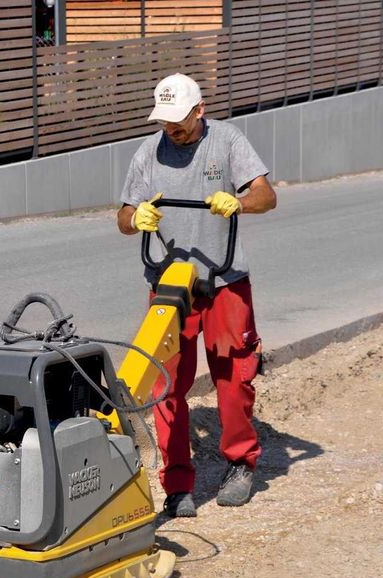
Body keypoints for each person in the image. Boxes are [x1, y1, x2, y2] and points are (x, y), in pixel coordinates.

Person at [117, 73, 277, 518]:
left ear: (199, 110)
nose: (171, 129)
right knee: (166, 385)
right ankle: (177, 483)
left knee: (234, 377)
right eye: (164, 121)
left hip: (225, 281)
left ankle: (240, 464)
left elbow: (267, 195)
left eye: (179, 121)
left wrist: (238, 202)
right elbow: (123, 216)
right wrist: (137, 218)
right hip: (169, 285)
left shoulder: (227, 142)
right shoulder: (149, 152)